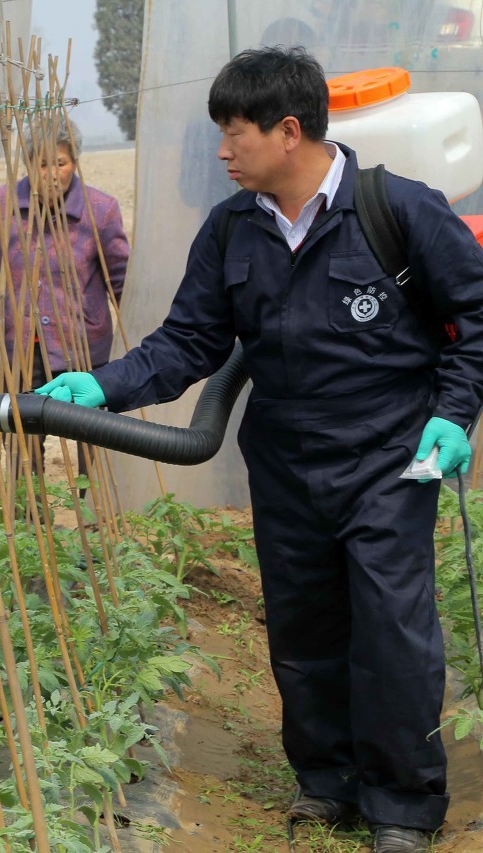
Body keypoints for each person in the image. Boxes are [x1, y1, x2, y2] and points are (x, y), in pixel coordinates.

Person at [38, 47, 483, 853]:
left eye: (233, 133)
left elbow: (476, 318)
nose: (220, 151)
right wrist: (103, 387)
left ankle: (403, 808)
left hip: (389, 458)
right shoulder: (232, 230)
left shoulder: (397, 211)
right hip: (284, 462)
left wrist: (454, 415)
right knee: (303, 629)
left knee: (391, 629)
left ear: (287, 131)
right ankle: (328, 783)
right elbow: (187, 342)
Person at [0, 114, 129, 493]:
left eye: (59, 163)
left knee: (92, 437)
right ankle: (29, 515)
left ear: (74, 163)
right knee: (23, 437)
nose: (49, 173)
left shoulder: (100, 211)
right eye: (40, 163)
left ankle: (94, 514)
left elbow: (122, 280)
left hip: (83, 348)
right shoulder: (3, 205)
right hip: (24, 347)